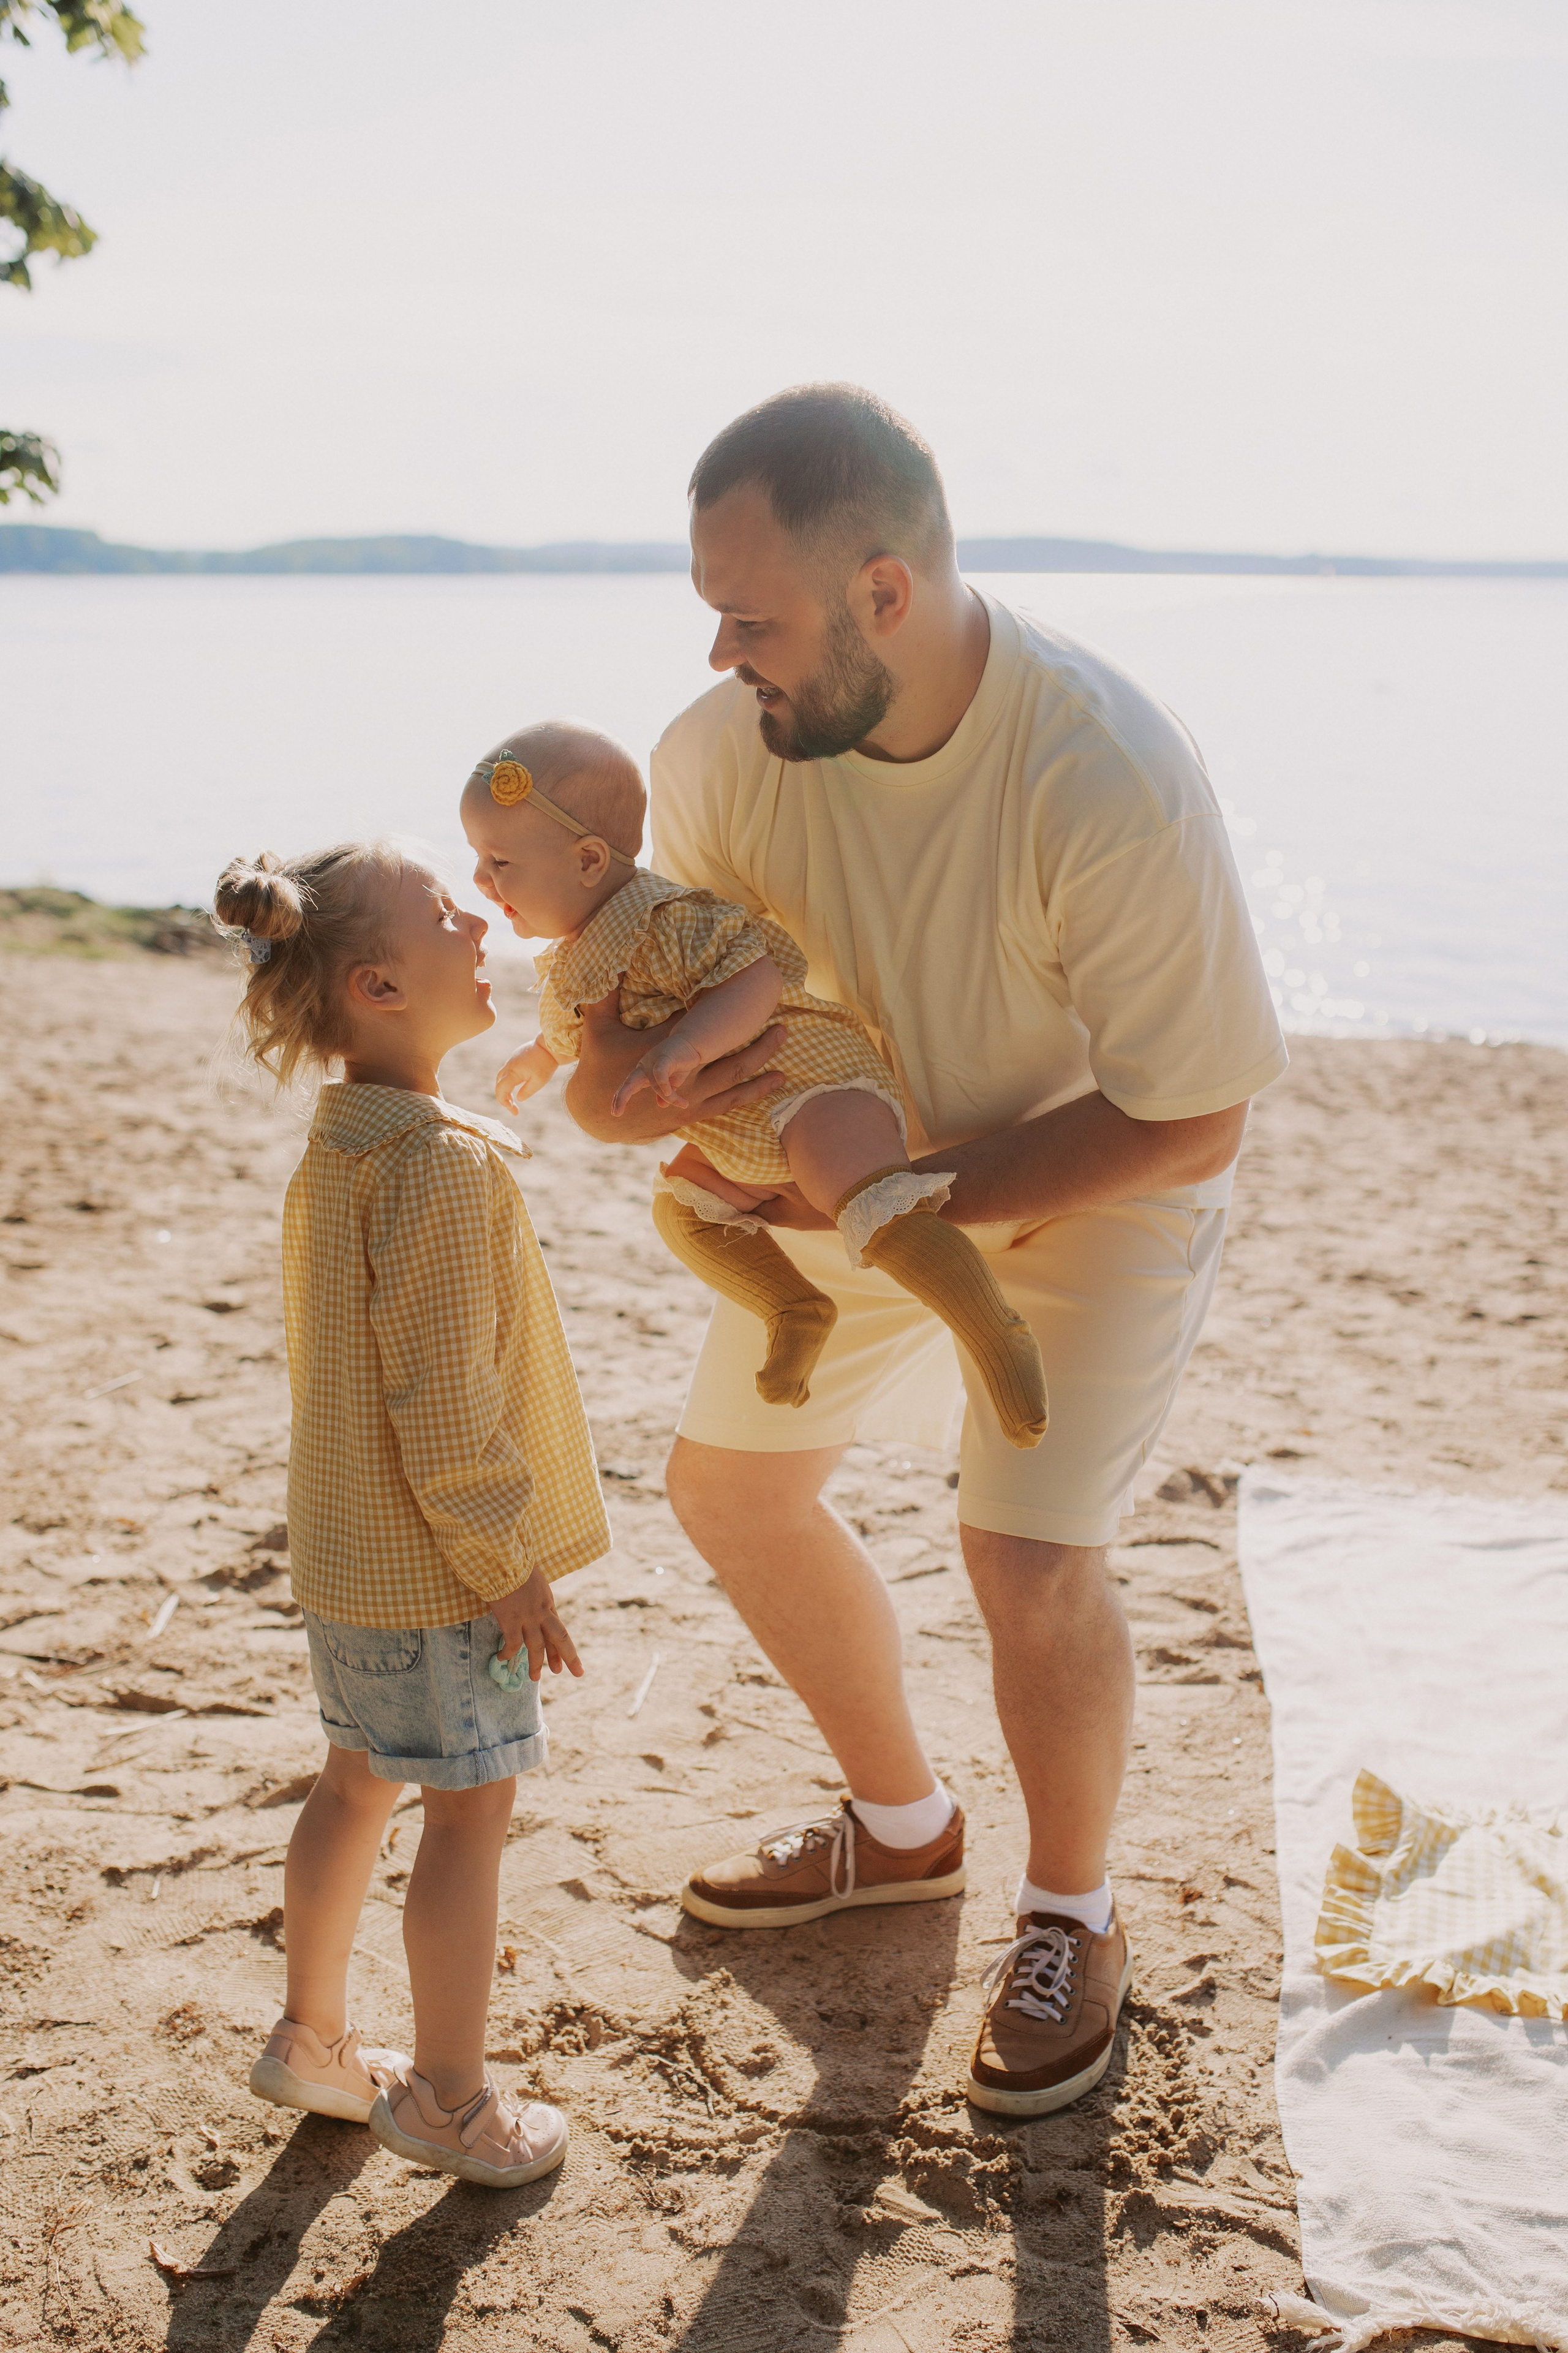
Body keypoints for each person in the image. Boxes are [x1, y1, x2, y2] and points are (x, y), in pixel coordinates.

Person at [562, 384, 1287, 2118]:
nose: (727, 650)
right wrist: (661, 1097)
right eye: (713, 612)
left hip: (1090, 1177)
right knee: (730, 1488)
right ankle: (899, 1832)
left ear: (885, 592)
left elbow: (1191, 1117)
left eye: (759, 616)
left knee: (1025, 1556)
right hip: (845, 1161)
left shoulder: (1103, 769)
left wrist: (917, 1200)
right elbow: (697, 1005)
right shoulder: (713, 756)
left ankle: (1070, 1910)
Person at [214, 839, 608, 2185]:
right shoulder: (438, 1165)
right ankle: (446, 2101)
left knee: (354, 1782)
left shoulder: (342, 1144)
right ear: (381, 982)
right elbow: (442, 1407)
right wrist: (513, 1570)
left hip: (347, 1558)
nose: (481, 919)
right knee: (468, 1810)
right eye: (451, 913)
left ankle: (312, 2037)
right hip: (442, 1575)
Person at [462, 720, 1047, 1448]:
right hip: (735, 1130)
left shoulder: (667, 917)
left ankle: (994, 1332)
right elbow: (577, 1035)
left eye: (499, 860)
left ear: (587, 860)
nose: (482, 882)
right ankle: (792, 1307)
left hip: (806, 1082)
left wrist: (687, 1041)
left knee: (870, 1202)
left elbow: (758, 979)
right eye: (478, 860)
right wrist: (539, 1059)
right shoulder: (572, 961)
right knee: (685, 1211)